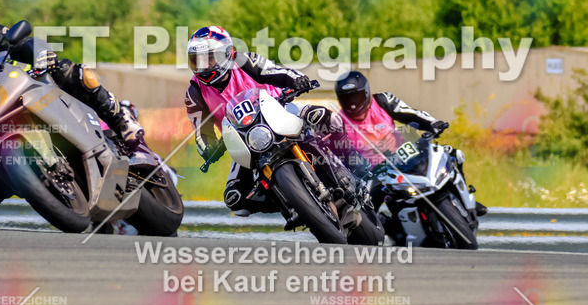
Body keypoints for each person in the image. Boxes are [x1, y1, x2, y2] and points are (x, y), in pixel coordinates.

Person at [0, 0, 148, 208]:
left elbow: (21, 44)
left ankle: (121, 118)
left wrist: (41, 56)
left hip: (27, 90)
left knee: (71, 71)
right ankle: (37, 185)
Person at [303, 70, 487, 217]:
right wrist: (364, 170)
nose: (353, 104)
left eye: (356, 97)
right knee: (366, 205)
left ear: (366, 93)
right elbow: (343, 154)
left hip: (405, 152)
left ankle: (467, 201)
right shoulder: (339, 122)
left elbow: (410, 113)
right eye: (347, 100)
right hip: (375, 171)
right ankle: (376, 228)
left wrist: (432, 123)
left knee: (450, 154)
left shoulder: (382, 100)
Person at [183, 25, 311, 214]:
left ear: (226, 53)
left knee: (324, 117)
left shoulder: (245, 61)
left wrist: (297, 80)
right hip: (245, 140)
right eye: (197, 61)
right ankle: (292, 203)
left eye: (209, 58)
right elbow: (201, 132)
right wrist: (209, 149)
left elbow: (277, 72)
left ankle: (353, 166)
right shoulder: (194, 93)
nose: (204, 66)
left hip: (281, 111)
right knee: (235, 199)